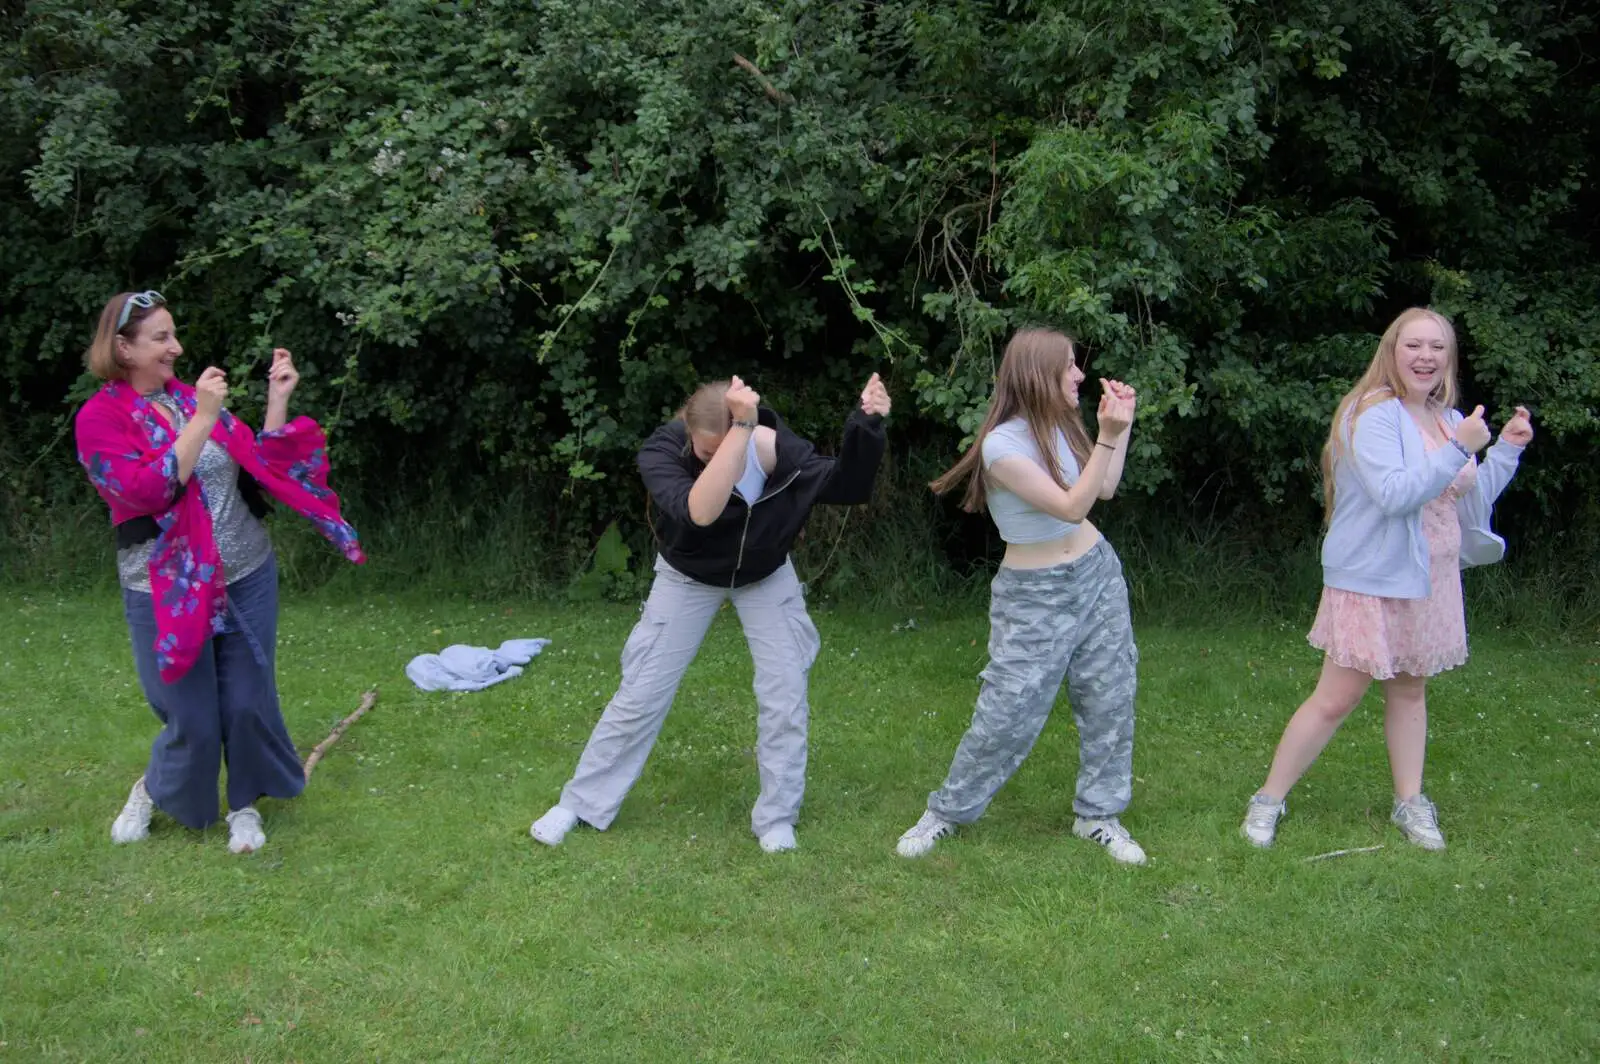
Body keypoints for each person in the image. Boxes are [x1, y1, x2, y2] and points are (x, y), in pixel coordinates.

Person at [531, 372, 891, 852]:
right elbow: (698, 512)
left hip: (765, 575)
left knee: (784, 692)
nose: (714, 458)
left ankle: (777, 817)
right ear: (687, 428)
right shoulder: (663, 451)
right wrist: (738, 436)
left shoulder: (773, 445)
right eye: (707, 452)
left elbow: (845, 485)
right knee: (641, 691)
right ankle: (580, 803)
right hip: (687, 577)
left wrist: (866, 424)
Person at [73, 290, 364, 854]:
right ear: (123, 348)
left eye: (174, 334)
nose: (176, 347)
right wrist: (203, 418)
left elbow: (259, 459)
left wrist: (277, 401)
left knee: (248, 704)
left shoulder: (189, 399)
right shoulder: (100, 419)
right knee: (192, 717)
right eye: (161, 338)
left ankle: (244, 805)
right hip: (166, 590)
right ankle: (152, 787)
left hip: (246, 575)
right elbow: (147, 491)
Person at [1240, 307, 1533, 850]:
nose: (1426, 357)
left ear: (1449, 357)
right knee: (1337, 696)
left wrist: (1507, 449)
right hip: (1373, 577)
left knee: (1410, 690)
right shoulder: (1372, 413)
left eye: (1437, 347)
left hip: (1431, 578)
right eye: (1414, 346)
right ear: (1392, 351)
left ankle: (1410, 804)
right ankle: (1266, 802)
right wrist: (1458, 447)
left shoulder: (1444, 417)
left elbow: (1464, 498)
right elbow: (1397, 494)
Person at [895, 327, 1148, 865]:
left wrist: (1119, 429)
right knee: (1007, 710)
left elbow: (1102, 490)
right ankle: (947, 812)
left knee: (1110, 697)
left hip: (1097, 575)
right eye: (1070, 367)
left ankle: (1098, 815)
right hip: (1034, 595)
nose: (1080, 374)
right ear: (1039, 374)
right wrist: (1105, 434)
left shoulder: (1063, 426)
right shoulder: (1002, 446)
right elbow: (1070, 506)